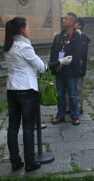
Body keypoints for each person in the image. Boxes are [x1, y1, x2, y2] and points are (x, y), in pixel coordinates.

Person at [4, 17, 67, 172]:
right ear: (21, 30)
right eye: (28, 27)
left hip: (12, 89)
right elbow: (41, 67)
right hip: (26, 89)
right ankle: (30, 162)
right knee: (27, 127)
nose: (29, 30)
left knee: (12, 127)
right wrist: (60, 62)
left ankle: (15, 161)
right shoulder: (24, 47)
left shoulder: (8, 45)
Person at [50, 12, 83, 126]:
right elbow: (54, 52)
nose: (63, 20)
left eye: (66, 19)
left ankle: (75, 115)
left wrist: (63, 64)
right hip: (59, 70)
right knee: (60, 94)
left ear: (73, 23)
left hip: (70, 70)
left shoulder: (76, 37)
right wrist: (55, 65)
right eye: (63, 18)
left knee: (72, 94)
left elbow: (77, 54)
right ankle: (60, 115)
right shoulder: (59, 37)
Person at [66, 17, 90, 114]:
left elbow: (82, 53)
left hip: (79, 67)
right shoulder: (68, 35)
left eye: (75, 23)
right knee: (68, 88)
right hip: (69, 66)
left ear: (79, 25)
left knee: (78, 87)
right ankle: (68, 106)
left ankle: (79, 107)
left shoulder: (83, 38)